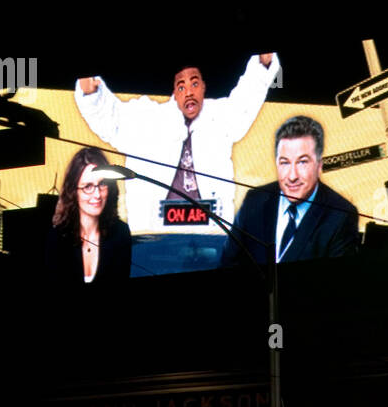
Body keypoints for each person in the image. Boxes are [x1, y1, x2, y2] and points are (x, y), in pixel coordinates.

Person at [74, 55, 279, 274]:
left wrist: (263, 63)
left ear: (203, 87)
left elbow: (248, 96)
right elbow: (108, 116)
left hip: (211, 245)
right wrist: (90, 88)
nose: (189, 92)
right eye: (181, 87)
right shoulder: (147, 119)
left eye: (194, 83)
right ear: (173, 92)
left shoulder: (221, 117)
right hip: (153, 247)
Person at [222, 115, 360, 267]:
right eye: (285, 163)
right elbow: (228, 266)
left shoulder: (341, 216)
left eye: (302, 162)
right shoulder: (255, 200)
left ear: (319, 166)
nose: (292, 176)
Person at [45, 147, 132, 284]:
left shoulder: (120, 233)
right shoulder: (56, 238)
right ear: (73, 191)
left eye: (102, 184)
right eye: (88, 187)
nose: (97, 194)